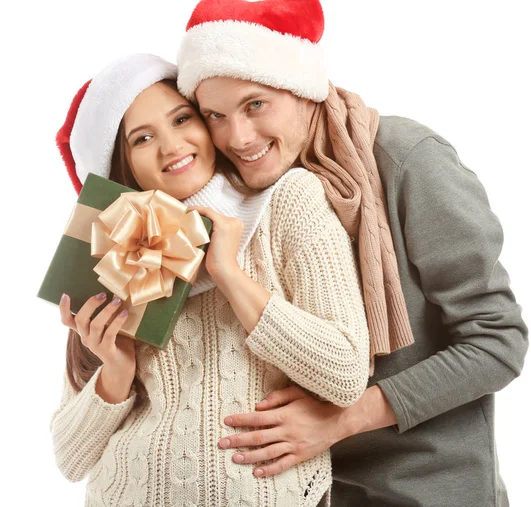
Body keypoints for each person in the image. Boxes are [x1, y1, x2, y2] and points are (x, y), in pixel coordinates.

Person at [175, 0, 529, 505]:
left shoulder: (407, 160)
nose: (238, 137)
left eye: (256, 104)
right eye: (216, 115)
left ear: (302, 87)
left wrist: (342, 419)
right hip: (305, 490)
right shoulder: (237, 197)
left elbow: (497, 342)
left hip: (428, 491)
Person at [50, 53, 370, 506]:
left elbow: (346, 374)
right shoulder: (113, 248)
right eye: (143, 138)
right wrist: (116, 371)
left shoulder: (289, 201)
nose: (172, 146)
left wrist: (229, 275)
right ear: (122, 166)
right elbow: (69, 458)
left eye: (182, 118)